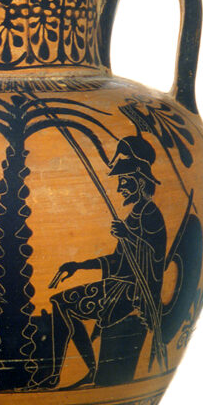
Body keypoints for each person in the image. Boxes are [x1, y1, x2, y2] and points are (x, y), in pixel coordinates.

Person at [48, 136, 167, 389]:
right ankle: (73, 372)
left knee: (62, 303)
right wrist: (78, 266)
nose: (120, 187)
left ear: (138, 182)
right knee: (61, 303)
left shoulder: (150, 213)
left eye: (124, 181)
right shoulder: (135, 213)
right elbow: (116, 260)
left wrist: (128, 235)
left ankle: (85, 372)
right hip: (117, 286)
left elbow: (155, 254)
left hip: (132, 292)